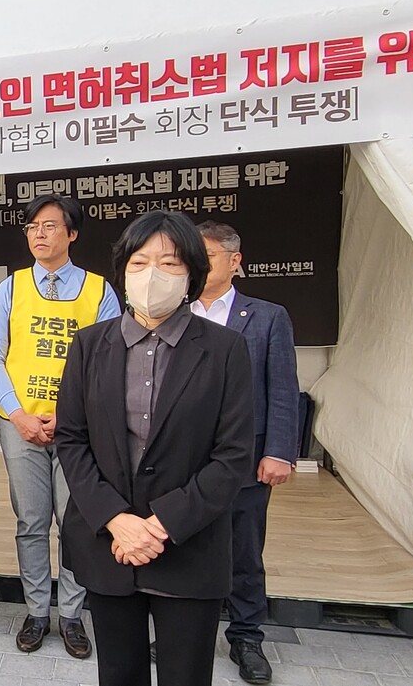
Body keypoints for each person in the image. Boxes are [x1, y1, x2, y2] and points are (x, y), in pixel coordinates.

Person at [56, 210, 255, 686]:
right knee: (119, 675)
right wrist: (117, 520)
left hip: (190, 547)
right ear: (123, 271)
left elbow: (233, 456)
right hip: (111, 547)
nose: (152, 275)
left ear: (191, 274)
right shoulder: (89, 346)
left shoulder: (226, 349)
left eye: (169, 263)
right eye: (140, 262)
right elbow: (72, 439)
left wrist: (163, 523)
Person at [0, 194, 120, 658]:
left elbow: (109, 363)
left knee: (76, 524)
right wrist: (17, 414)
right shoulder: (11, 289)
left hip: (77, 430)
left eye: (50, 226)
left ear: (72, 234)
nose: (39, 234)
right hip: (19, 427)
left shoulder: (100, 292)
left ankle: (74, 615)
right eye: (32, 227)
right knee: (32, 521)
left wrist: (71, 415)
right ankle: (38, 610)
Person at [193, 220, 299, 685]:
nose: (198, 265)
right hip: (184, 459)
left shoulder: (267, 316)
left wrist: (279, 451)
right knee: (187, 545)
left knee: (243, 549)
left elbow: (283, 390)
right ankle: (189, 632)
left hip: (245, 459)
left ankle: (246, 636)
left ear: (235, 262)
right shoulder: (172, 310)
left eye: (208, 256)